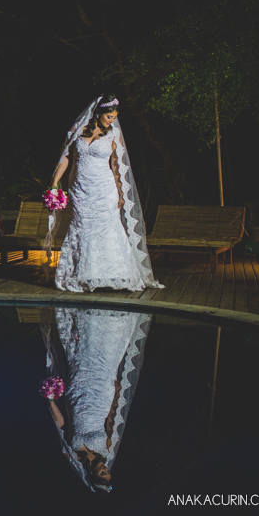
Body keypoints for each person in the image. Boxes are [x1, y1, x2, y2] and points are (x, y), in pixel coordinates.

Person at [48, 95, 162, 292]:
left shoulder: (113, 134)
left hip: (104, 188)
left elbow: (117, 166)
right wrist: (54, 182)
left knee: (108, 228)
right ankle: (83, 274)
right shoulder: (77, 130)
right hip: (79, 189)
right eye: (109, 116)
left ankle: (114, 273)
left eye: (114, 117)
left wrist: (120, 194)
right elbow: (66, 156)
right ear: (98, 113)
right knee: (82, 227)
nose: (112, 120)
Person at [41, 307, 152, 492]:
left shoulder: (74, 454)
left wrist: (51, 400)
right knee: (105, 358)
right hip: (101, 397)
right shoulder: (107, 449)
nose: (105, 468)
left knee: (83, 354)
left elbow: (61, 424)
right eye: (108, 471)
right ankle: (112, 319)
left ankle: (88, 317)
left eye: (102, 473)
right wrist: (117, 393)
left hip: (77, 393)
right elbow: (112, 418)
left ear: (91, 474)